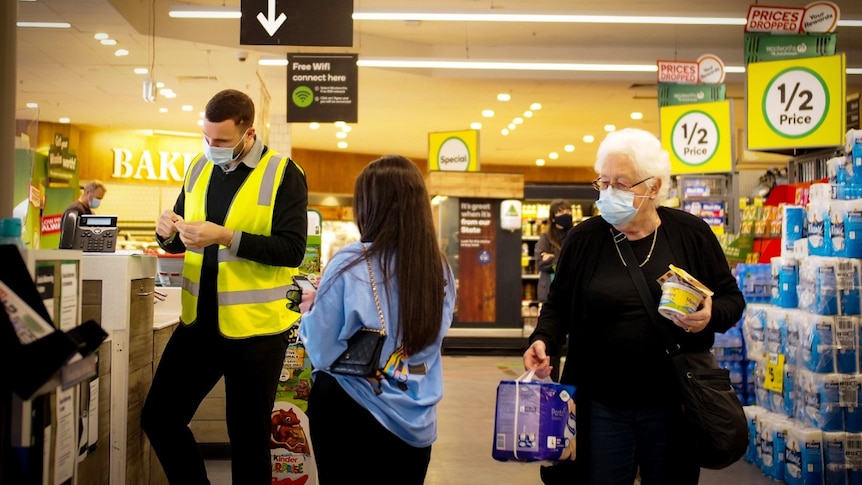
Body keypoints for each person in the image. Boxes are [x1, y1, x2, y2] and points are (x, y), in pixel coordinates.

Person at [523, 128, 745, 485]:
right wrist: (543, 339)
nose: (609, 193)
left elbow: (732, 300)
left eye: (621, 184)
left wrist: (709, 316)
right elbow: (558, 304)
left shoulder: (691, 234)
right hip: (600, 405)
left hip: (674, 404)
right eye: (603, 183)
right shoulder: (584, 240)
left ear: (654, 187)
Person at [141, 89, 308, 484]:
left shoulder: (284, 173)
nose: (212, 147)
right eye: (207, 137)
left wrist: (226, 236)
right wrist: (166, 233)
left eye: (222, 141)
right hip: (199, 324)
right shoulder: (198, 167)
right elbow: (183, 235)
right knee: (160, 419)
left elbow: (292, 250)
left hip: (258, 332)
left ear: (248, 133)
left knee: (248, 441)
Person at [298, 155, 456, 485]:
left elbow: (324, 351)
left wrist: (310, 311)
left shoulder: (350, 261)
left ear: (369, 205)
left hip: (350, 407)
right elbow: (428, 345)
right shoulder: (438, 268)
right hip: (417, 411)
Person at [534, 199, 573, 382]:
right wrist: (555, 259)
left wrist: (552, 258)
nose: (565, 213)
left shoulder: (575, 234)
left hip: (573, 293)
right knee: (552, 335)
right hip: (550, 292)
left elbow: (566, 261)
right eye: (560, 211)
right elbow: (540, 262)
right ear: (552, 215)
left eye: (567, 210)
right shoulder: (546, 237)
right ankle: (553, 377)